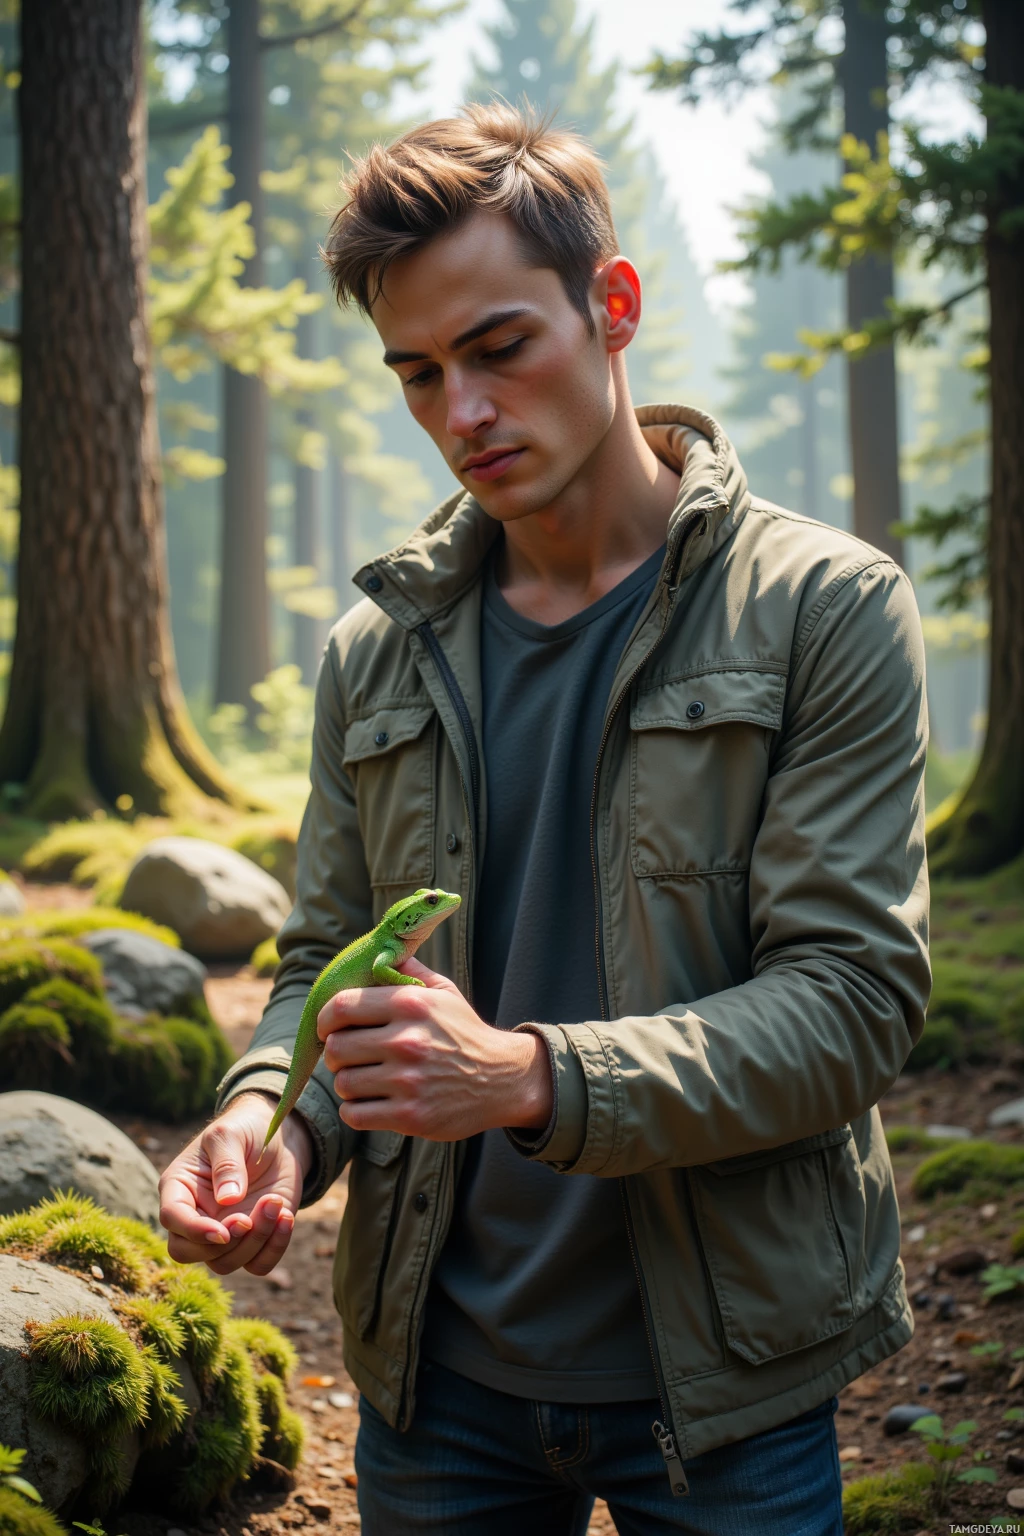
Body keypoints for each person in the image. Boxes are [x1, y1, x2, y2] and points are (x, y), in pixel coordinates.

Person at [159, 104, 930, 1536]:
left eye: (501, 348)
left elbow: (856, 1002)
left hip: (727, 1387)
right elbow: (326, 961)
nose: (463, 413)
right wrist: (270, 1119)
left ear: (615, 307)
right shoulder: (377, 650)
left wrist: (528, 1076)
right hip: (437, 1384)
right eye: (419, 374)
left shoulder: (825, 608)